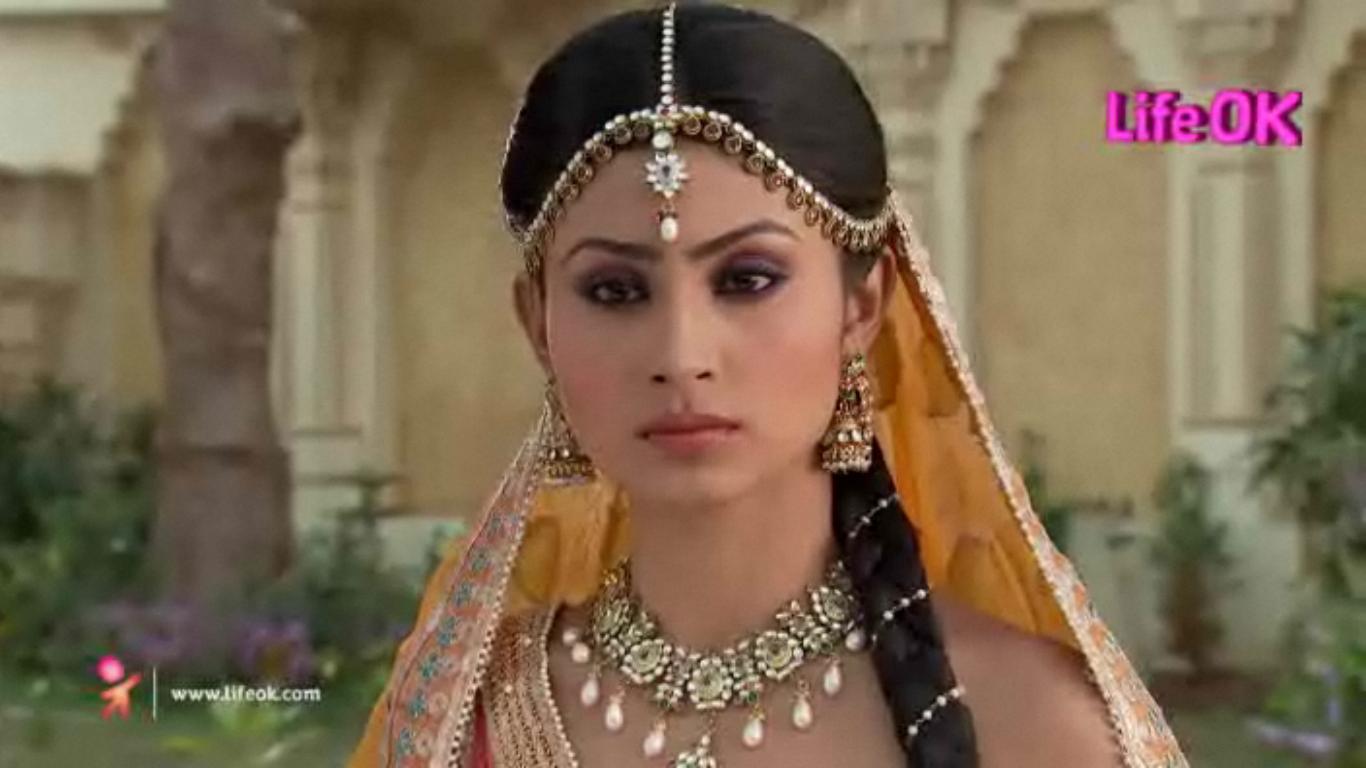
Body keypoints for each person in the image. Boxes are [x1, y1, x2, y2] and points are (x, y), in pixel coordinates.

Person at [347, 4, 1188, 767]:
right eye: (615, 290)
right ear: (538, 324)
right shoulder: (463, 722)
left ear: (861, 307)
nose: (682, 354)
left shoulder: (1036, 724)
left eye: (747, 279)